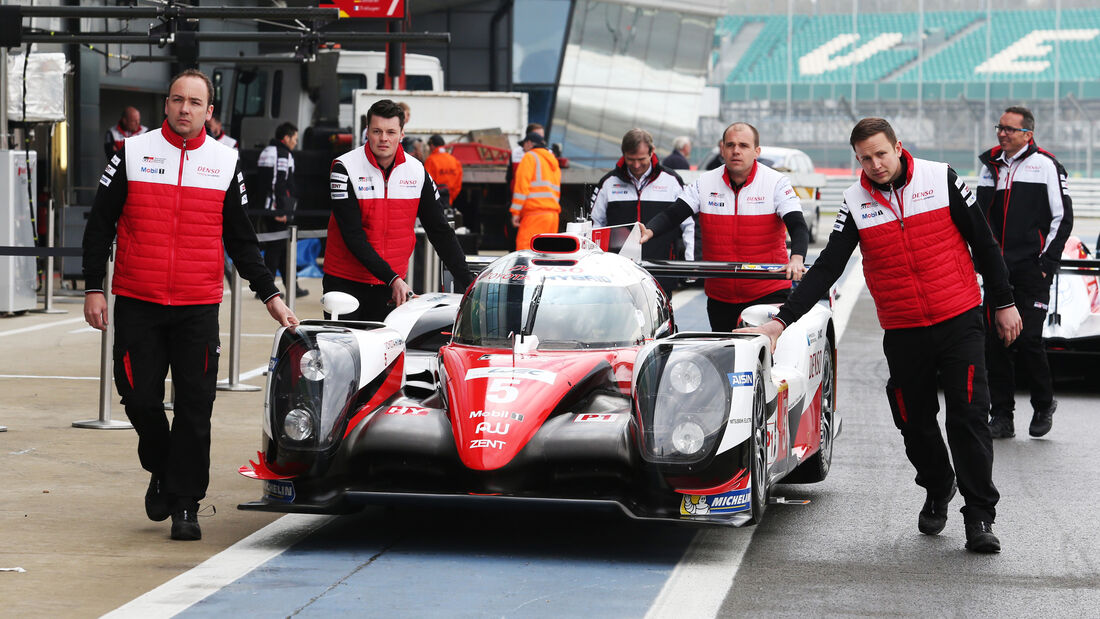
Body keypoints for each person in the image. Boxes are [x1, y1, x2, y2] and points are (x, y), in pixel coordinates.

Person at [739, 118, 1022, 554]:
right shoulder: (854, 201)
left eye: (881, 154)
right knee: (913, 420)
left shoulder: (940, 178)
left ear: (898, 147)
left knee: (967, 418)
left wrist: (1003, 302)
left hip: (958, 318)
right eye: (865, 158)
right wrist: (780, 321)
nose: (874, 164)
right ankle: (938, 483)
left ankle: (979, 515)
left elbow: (983, 243)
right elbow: (829, 266)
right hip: (904, 328)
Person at [82, 69, 298, 542]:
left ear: (209, 111)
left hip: (198, 304)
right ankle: (161, 465)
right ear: (166, 104)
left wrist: (272, 296)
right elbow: (100, 223)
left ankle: (186, 504)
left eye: (194, 102)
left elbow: (243, 242)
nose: (185, 109)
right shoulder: (132, 153)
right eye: (177, 100)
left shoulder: (226, 163)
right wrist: (93, 286)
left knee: (196, 408)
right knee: (139, 398)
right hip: (138, 300)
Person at [640, 122, 809, 331]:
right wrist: (649, 230)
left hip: (767, 291)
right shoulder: (706, 182)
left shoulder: (776, 182)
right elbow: (674, 214)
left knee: (764, 358)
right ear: (722, 149)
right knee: (726, 359)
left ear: (757, 151)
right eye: (730, 145)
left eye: (743, 146)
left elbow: (798, 225)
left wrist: (797, 258)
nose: (736, 151)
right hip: (720, 295)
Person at [324, 98, 474, 321]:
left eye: (391, 132)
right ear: (367, 131)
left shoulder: (417, 171)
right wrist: (393, 278)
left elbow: (439, 231)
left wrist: (469, 283)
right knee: (344, 354)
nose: (383, 138)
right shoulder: (344, 167)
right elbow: (353, 235)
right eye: (377, 131)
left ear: (402, 134)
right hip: (347, 282)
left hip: (391, 286)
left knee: (389, 355)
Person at [977, 106, 1073, 439]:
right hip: (997, 272)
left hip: (1032, 270)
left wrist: (1046, 264)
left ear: (1027, 135)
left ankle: (1043, 404)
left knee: (1029, 340)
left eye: (1008, 129)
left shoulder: (1046, 165)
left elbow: (1063, 219)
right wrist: (983, 260)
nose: (1001, 133)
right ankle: (1002, 415)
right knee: (996, 342)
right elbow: (980, 221)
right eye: (999, 127)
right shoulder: (989, 167)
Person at [590, 128, 693, 293]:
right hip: (619, 272)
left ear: (652, 152)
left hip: (661, 271)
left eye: (641, 159)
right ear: (623, 154)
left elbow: (688, 224)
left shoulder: (671, 181)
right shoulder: (608, 183)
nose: (636, 165)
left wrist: (690, 262)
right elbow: (595, 225)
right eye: (630, 159)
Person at [256, 122, 307, 297]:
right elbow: (278, 183)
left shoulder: (267, 151)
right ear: (286, 138)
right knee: (275, 250)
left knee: (283, 249)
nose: (295, 143)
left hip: (267, 207)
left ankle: (292, 286)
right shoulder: (282, 153)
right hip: (276, 210)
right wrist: (281, 211)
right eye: (294, 139)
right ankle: (266, 289)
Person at [510, 131, 562, 250]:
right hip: (552, 216)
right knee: (546, 254)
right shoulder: (553, 162)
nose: (523, 149)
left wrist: (515, 212)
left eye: (523, 146)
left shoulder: (529, 157)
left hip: (535, 214)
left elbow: (521, 187)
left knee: (525, 252)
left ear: (529, 143)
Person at [424, 134, 463, 207]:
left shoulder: (430, 160)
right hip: (449, 201)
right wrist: (450, 198)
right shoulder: (454, 160)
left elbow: (427, 184)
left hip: (435, 202)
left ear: (432, 145)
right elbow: (458, 185)